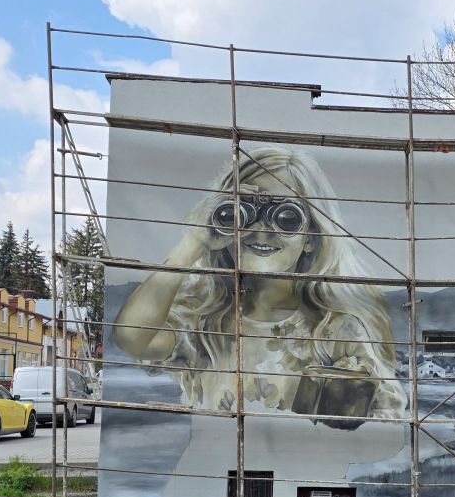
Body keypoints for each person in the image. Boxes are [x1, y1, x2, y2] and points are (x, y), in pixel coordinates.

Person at [113, 147, 406, 428]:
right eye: (243, 214)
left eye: (287, 218)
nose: (262, 230)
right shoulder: (202, 321)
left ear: (311, 238)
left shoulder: (335, 331)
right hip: (216, 460)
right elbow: (131, 337)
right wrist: (196, 240)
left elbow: (385, 419)